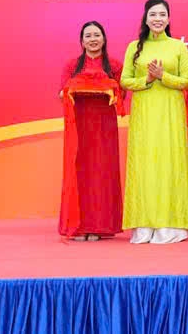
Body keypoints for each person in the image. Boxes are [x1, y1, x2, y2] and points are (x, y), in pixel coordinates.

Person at [121, 0, 188, 244]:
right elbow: (125, 81)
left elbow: (186, 81)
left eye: (162, 14)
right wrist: (148, 80)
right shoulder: (134, 47)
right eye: (153, 14)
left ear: (169, 19)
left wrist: (164, 76)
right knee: (145, 164)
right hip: (144, 113)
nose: (158, 19)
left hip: (171, 112)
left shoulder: (178, 46)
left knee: (169, 162)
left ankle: (169, 224)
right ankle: (144, 224)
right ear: (146, 18)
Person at [58, 21, 124, 241]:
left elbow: (121, 94)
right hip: (80, 126)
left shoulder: (114, 65)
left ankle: (100, 226)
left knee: (102, 172)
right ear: (82, 41)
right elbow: (62, 93)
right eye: (88, 36)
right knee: (81, 171)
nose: (93, 39)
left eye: (97, 35)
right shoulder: (72, 65)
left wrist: (107, 87)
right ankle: (79, 226)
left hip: (104, 127)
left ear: (104, 39)